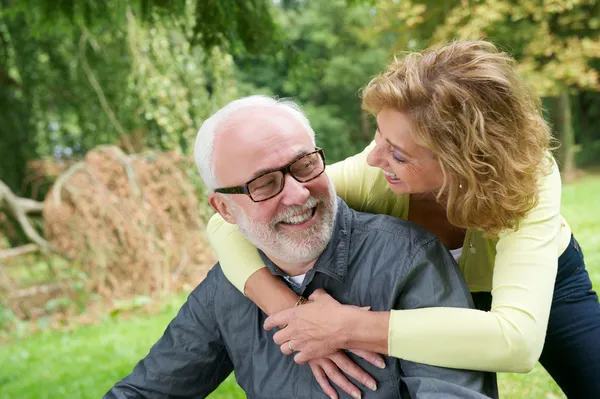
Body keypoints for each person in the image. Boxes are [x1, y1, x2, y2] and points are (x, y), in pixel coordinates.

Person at [206, 41, 600, 398]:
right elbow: (226, 222)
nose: (375, 158)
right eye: (379, 137)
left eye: (398, 154)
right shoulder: (371, 173)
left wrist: (346, 326)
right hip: (428, 295)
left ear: (464, 165)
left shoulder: (530, 177)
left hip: (548, 285)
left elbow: (516, 342)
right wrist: (288, 308)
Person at [104, 95, 497, 399]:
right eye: (263, 183)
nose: (296, 194)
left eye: (304, 165)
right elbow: (147, 390)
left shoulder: (408, 260)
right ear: (223, 208)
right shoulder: (226, 289)